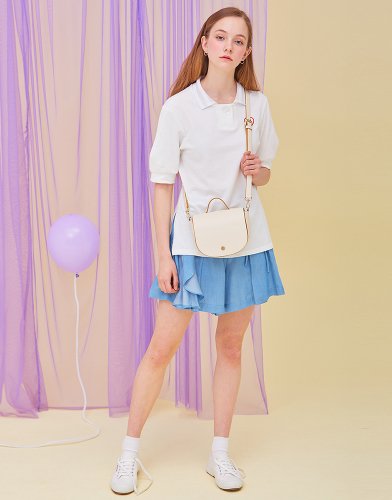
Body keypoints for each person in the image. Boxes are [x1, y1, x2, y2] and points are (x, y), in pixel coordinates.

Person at [110, 6, 285, 495]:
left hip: (246, 240)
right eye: (220, 37)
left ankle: (220, 453)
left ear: (247, 52)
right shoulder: (179, 108)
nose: (228, 46)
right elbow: (162, 183)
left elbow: (266, 174)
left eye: (238, 40)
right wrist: (162, 255)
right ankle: (128, 454)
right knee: (160, 349)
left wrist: (256, 170)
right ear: (204, 43)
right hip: (190, 243)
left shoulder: (256, 106)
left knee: (230, 347)